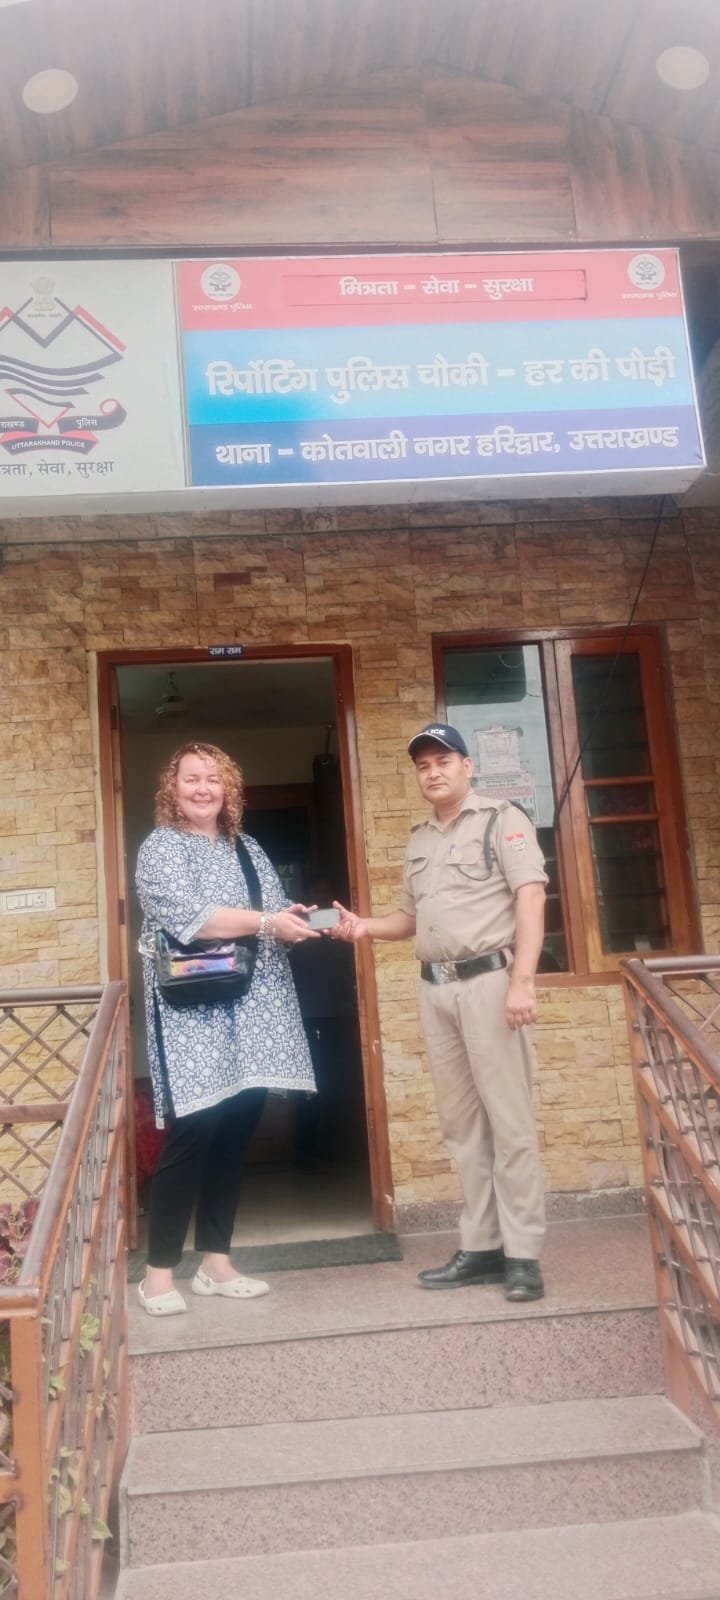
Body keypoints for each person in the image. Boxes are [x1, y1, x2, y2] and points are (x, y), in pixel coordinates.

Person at [335, 723, 547, 1302]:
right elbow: (408, 920)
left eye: (443, 761)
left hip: (491, 984)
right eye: (423, 765)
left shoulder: (502, 820)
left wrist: (522, 982)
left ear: (467, 766)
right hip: (437, 990)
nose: (432, 772)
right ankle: (482, 1246)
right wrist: (362, 926)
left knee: (510, 1123)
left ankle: (523, 1255)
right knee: (462, 1127)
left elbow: (531, 896)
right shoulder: (420, 838)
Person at [135, 740, 318, 1316]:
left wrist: (301, 921)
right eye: (191, 778)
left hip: (256, 1010)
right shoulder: (160, 848)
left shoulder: (248, 847)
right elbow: (192, 920)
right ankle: (157, 1276)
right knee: (193, 1133)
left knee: (236, 1134)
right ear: (173, 788)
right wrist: (268, 922)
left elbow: (273, 911)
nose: (203, 788)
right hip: (194, 1013)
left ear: (229, 789)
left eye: (214, 779)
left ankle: (216, 1264)